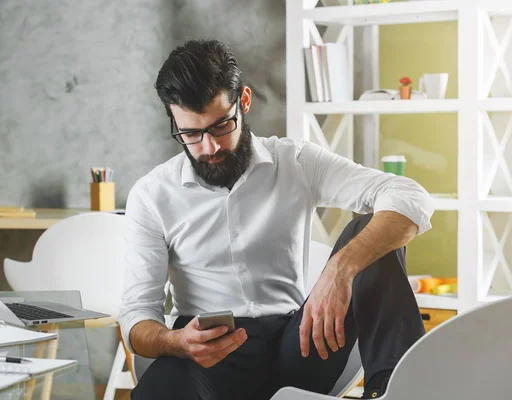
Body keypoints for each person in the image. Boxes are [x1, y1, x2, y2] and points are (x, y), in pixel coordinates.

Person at [118, 39, 434, 400]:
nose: (210, 147)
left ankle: (395, 390)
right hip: (213, 354)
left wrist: (340, 269)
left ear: (244, 101)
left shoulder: (296, 162)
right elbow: (137, 314)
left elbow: (411, 198)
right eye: (191, 134)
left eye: (221, 125)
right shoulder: (151, 194)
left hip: (300, 344)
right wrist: (177, 342)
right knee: (163, 386)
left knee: (367, 232)